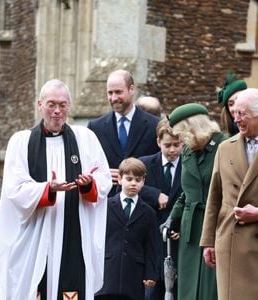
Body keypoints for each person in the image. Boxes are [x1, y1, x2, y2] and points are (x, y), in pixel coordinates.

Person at [0, 79, 112, 300]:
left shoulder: (86, 139)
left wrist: (88, 184)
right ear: (39, 104)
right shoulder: (21, 142)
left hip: (73, 231)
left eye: (62, 105)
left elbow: (104, 178)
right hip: (35, 234)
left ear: (69, 107)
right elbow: (14, 189)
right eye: (51, 104)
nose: (57, 111)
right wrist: (47, 189)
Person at [200, 88, 258, 300]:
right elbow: (214, 197)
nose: (237, 120)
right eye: (235, 115)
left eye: (242, 114)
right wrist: (208, 241)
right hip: (229, 241)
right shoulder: (225, 149)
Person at [167, 103, 227, 300]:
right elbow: (187, 192)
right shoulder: (188, 151)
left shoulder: (224, 146)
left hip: (216, 224)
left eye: (183, 134)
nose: (181, 140)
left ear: (195, 127)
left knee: (211, 287)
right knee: (188, 287)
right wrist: (171, 219)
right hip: (190, 228)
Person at [87, 70, 160, 196]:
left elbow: (159, 165)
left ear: (131, 90)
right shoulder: (95, 127)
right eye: (110, 93)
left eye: (118, 92)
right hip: (108, 204)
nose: (114, 98)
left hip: (144, 204)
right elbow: (88, 166)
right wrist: (103, 174)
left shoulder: (154, 125)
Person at [95, 157, 158, 300]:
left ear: (143, 181)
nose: (133, 184)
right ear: (119, 179)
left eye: (138, 180)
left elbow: (152, 245)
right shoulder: (105, 207)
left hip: (134, 275)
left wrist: (151, 273)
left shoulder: (148, 212)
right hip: (107, 271)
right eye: (129, 179)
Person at [138, 118, 183, 300]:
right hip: (151, 241)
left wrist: (181, 225)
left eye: (176, 145)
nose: (172, 150)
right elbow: (127, 188)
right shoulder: (145, 164)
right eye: (167, 145)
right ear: (158, 141)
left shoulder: (189, 165)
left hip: (178, 242)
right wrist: (154, 194)